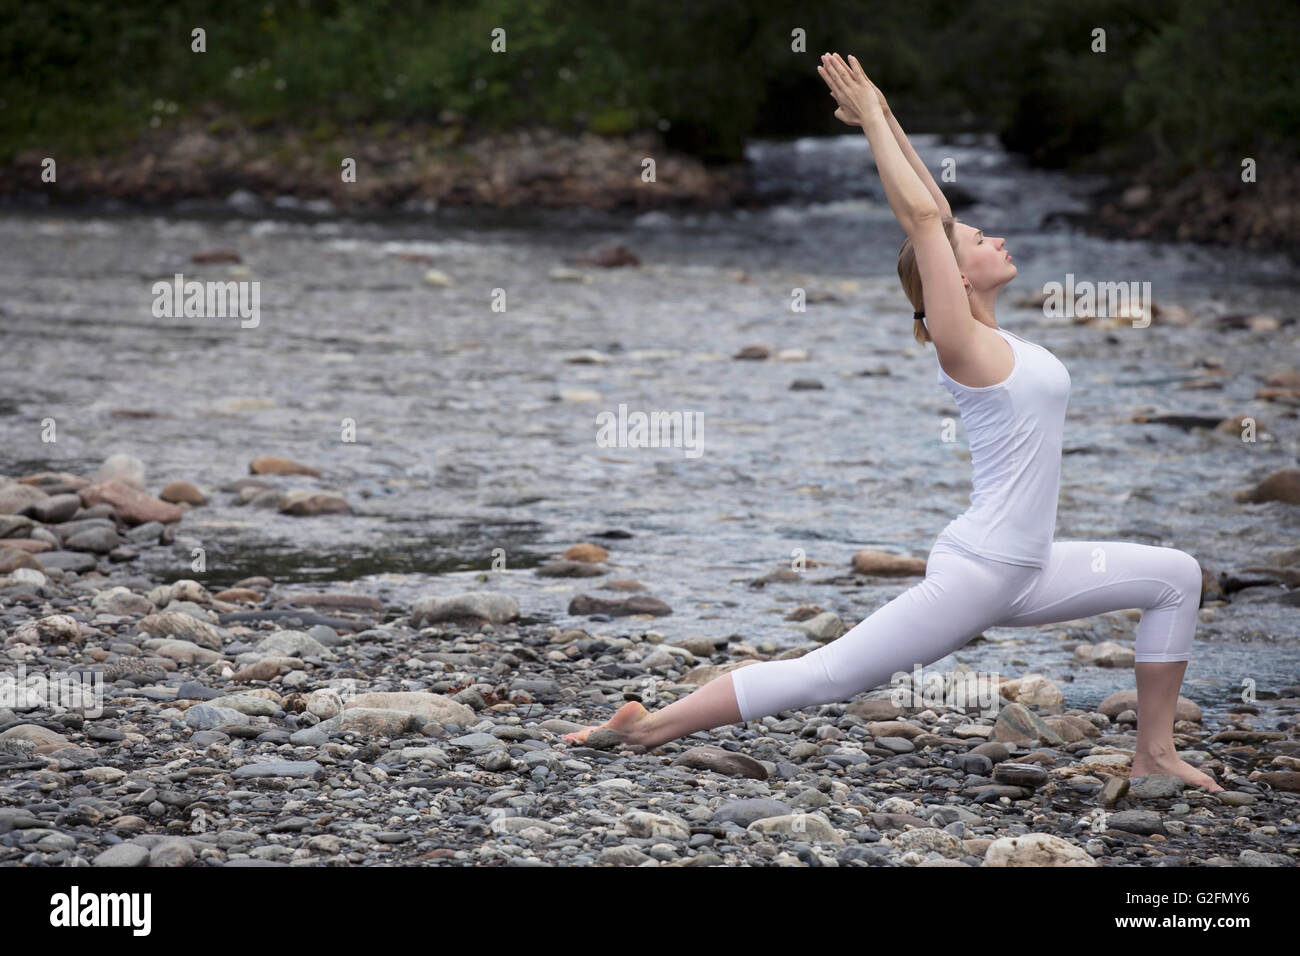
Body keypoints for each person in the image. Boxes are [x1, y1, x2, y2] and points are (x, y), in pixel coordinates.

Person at [562, 53, 1221, 794]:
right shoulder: (962, 346)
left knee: (1175, 577)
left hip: (1030, 567)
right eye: (976, 242)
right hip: (985, 570)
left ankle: (1155, 753)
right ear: (955, 277)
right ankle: (648, 726)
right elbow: (921, 220)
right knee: (827, 676)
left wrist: (883, 107)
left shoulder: (1000, 338)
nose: (990, 237)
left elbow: (931, 211)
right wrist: (872, 120)